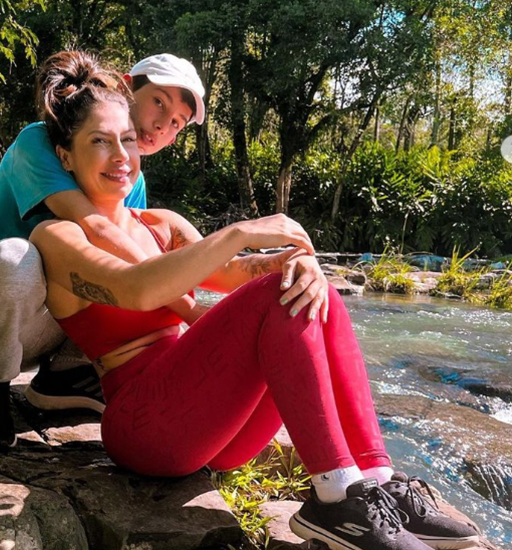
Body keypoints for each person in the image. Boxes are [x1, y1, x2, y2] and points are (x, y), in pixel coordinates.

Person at [27, 51, 480, 550]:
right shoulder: (57, 235)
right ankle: (335, 499)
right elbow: (137, 288)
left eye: (128, 140)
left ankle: (376, 481)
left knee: (313, 290)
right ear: (65, 156)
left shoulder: (161, 224)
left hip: (217, 429)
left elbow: (239, 274)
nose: (120, 156)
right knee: (276, 297)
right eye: (99, 141)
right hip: (144, 427)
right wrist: (241, 232)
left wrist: (297, 261)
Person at [0, 51, 209, 449]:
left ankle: (67, 373)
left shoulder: (130, 177)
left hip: (48, 327)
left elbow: (129, 265)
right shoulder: (39, 143)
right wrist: (192, 312)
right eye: (159, 103)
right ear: (126, 88)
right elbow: (95, 228)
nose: (163, 124)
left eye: (177, 123)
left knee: (127, 262)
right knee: (20, 256)